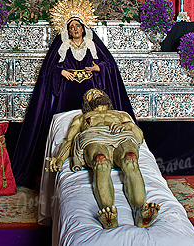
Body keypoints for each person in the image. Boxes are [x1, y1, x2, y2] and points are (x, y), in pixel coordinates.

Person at [11, 0, 135, 188]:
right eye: (71, 27)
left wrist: (97, 68)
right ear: (67, 30)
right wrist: (61, 71)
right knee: (68, 126)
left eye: (77, 26)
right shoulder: (62, 45)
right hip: (67, 92)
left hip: (90, 90)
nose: (75, 29)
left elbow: (109, 65)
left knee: (91, 121)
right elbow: (48, 69)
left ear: (83, 27)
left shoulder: (92, 44)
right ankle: (66, 160)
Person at [46, 88, 159, 230]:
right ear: (87, 103)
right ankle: (108, 213)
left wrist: (129, 125)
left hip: (121, 138)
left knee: (131, 160)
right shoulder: (81, 118)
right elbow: (69, 141)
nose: (96, 94)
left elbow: (140, 138)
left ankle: (140, 211)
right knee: (101, 162)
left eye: (98, 92)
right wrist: (60, 159)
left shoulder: (121, 115)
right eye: (91, 94)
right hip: (93, 139)